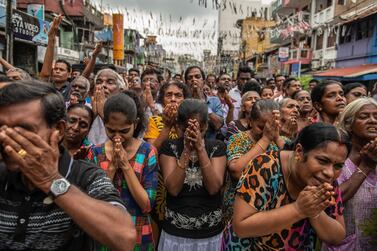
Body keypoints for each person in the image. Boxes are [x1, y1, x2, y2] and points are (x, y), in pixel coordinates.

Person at [0, 81, 136, 250]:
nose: (7, 140)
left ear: (59, 129)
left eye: (22, 130)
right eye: (2, 128)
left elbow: (124, 237)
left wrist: (52, 181)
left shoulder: (86, 176)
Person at [222, 123, 350, 250]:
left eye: (338, 166)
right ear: (299, 152)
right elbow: (241, 227)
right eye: (322, 161)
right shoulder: (265, 166)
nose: (330, 172)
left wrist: (314, 211)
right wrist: (298, 209)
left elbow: (337, 236)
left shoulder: (326, 180)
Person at [87, 92, 158, 250]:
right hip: (104, 235)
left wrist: (126, 166)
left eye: (124, 131)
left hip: (138, 233)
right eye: (111, 131)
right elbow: (93, 204)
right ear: (104, 124)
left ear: (135, 123)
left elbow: (147, 205)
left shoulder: (147, 152)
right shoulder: (96, 153)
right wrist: (112, 168)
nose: (117, 137)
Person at [158, 99, 226, 250]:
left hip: (210, 232)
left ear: (206, 126)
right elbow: (173, 189)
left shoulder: (217, 147)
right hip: (176, 233)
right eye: (188, 130)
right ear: (179, 126)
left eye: (200, 130)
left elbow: (214, 188)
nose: (195, 135)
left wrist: (201, 150)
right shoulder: (169, 147)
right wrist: (186, 151)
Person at [325, 98, 377, 250]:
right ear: (349, 125)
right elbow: (331, 199)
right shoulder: (338, 157)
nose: (372, 121)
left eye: (376, 116)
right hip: (346, 245)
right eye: (364, 116)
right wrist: (366, 166)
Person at [223, 99, 285, 223]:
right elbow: (236, 172)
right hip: (239, 212)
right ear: (250, 122)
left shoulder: (281, 141)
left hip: (269, 212)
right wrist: (266, 139)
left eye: (272, 126)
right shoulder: (239, 139)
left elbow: (294, 162)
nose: (268, 130)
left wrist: (277, 137)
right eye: (261, 127)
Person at [144, 81, 191, 150]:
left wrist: (176, 123)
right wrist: (167, 125)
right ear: (162, 100)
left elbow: (188, 147)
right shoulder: (154, 121)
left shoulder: (189, 121)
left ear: (184, 99)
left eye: (178, 96)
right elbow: (152, 151)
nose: (173, 99)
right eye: (168, 95)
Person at [88, 68, 127, 145]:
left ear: (121, 90)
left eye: (110, 82)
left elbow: (121, 140)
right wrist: (92, 115)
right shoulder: (86, 108)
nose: (103, 85)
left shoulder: (126, 111)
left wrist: (103, 114)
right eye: (99, 82)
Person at [184, 66, 224, 139]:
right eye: (190, 78)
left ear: (203, 81)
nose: (194, 80)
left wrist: (202, 102)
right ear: (186, 83)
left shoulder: (214, 101)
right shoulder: (183, 102)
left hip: (209, 146)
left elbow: (218, 125)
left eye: (197, 77)